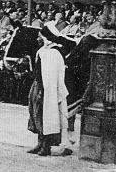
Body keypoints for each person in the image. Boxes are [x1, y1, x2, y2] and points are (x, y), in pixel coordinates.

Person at [27, 26, 72, 157]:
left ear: (46, 38)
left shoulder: (53, 53)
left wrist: (44, 90)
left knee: (45, 115)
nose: (38, 39)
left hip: (46, 89)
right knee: (35, 113)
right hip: (38, 85)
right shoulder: (43, 51)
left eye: (40, 37)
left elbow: (51, 78)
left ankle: (46, 146)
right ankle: (40, 142)